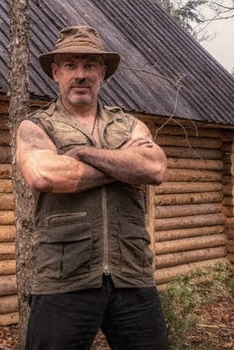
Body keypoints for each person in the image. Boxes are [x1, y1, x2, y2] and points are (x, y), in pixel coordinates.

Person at [15, 25, 168, 350]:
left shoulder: (129, 124)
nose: (80, 74)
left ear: (103, 73)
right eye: (71, 65)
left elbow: (154, 167)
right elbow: (44, 175)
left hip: (132, 274)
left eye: (89, 66)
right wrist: (125, 164)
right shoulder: (36, 126)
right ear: (56, 72)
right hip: (63, 276)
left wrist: (83, 153)